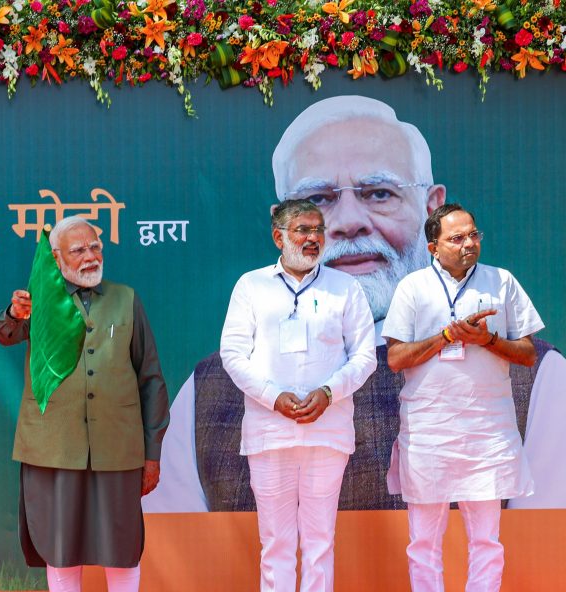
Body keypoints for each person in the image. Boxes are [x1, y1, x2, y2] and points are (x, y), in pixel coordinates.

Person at [144, 95, 565, 513]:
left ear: (431, 208)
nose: (348, 222)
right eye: (319, 200)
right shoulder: (209, 391)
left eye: (380, 193)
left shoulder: (538, 380)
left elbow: (541, 561)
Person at [0, 215, 169, 592]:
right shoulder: (40, 302)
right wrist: (14, 315)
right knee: (60, 546)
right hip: (53, 447)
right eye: (78, 250)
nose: (90, 256)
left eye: (95, 247)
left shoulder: (126, 300)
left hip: (118, 446)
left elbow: (151, 380)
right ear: (57, 258)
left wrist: (152, 453)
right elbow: (4, 334)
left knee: (122, 548)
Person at [383, 204, 542, 592]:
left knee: (486, 540)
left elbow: (528, 352)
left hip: (486, 430)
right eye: (456, 238)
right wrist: (446, 336)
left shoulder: (502, 281)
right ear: (432, 247)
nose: (468, 243)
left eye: (473, 234)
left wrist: (487, 340)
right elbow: (395, 358)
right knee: (423, 542)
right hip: (429, 430)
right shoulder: (412, 287)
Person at [220, 200, 375, 592]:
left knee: (320, 537)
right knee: (276, 540)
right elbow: (232, 353)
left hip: (327, 429)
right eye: (302, 230)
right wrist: (273, 396)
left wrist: (329, 392)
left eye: (318, 230)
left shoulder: (345, 288)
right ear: (278, 237)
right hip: (270, 430)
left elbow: (365, 355)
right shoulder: (251, 286)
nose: (312, 238)